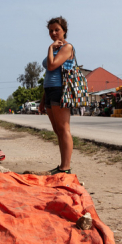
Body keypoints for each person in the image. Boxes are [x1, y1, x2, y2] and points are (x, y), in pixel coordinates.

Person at [40, 16, 75, 175]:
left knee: (64, 129)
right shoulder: (55, 48)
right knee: (57, 130)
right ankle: (62, 165)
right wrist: (42, 99)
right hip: (49, 90)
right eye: (51, 31)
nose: (53, 33)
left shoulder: (67, 47)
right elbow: (48, 73)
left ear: (64, 31)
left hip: (60, 90)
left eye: (57, 30)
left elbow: (53, 65)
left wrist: (49, 48)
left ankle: (65, 168)